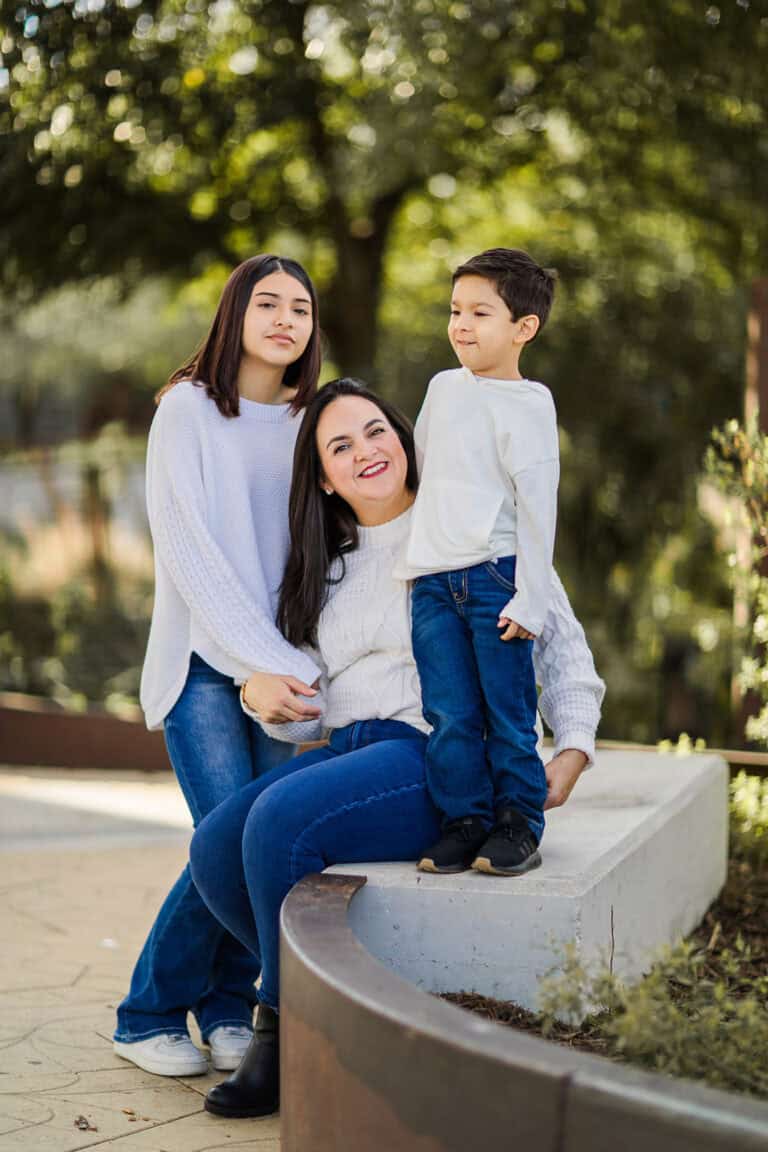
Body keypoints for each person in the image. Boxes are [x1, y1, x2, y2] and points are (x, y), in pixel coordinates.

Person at [188, 379, 604, 1118]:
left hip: (434, 756)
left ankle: (281, 1038)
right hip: (347, 749)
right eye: (340, 447)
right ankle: (345, 1008)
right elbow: (306, 710)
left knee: (279, 823)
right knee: (217, 845)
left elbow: (560, 642)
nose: (366, 453)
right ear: (323, 477)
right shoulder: (327, 568)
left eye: (376, 432)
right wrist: (263, 698)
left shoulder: (474, 528)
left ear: (406, 439)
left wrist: (570, 747)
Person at [112, 255, 325, 1078]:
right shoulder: (188, 412)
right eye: (266, 302)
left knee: (261, 840)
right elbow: (190, 554)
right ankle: (147, 1014)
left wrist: (293, 669)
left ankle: (228, 1005)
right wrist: (255, 663)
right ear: (234, 313)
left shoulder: (313, 419)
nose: (284, 319)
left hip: (285, 668)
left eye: (300, 308)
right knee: (228, 837)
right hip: (205, 663)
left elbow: (317, 556)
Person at [396, 248, 560, 877]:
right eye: (455, 310)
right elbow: (425, 470)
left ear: (524, 328)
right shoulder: (442, 388)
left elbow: (538, 505)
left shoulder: (531, 405)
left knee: (507, 712)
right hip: (434, 581)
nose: (461, 324)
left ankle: (518, 823)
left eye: (480, 313)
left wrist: (532, 596)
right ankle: (464, 821)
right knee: (450, 714)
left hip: (496, 577)